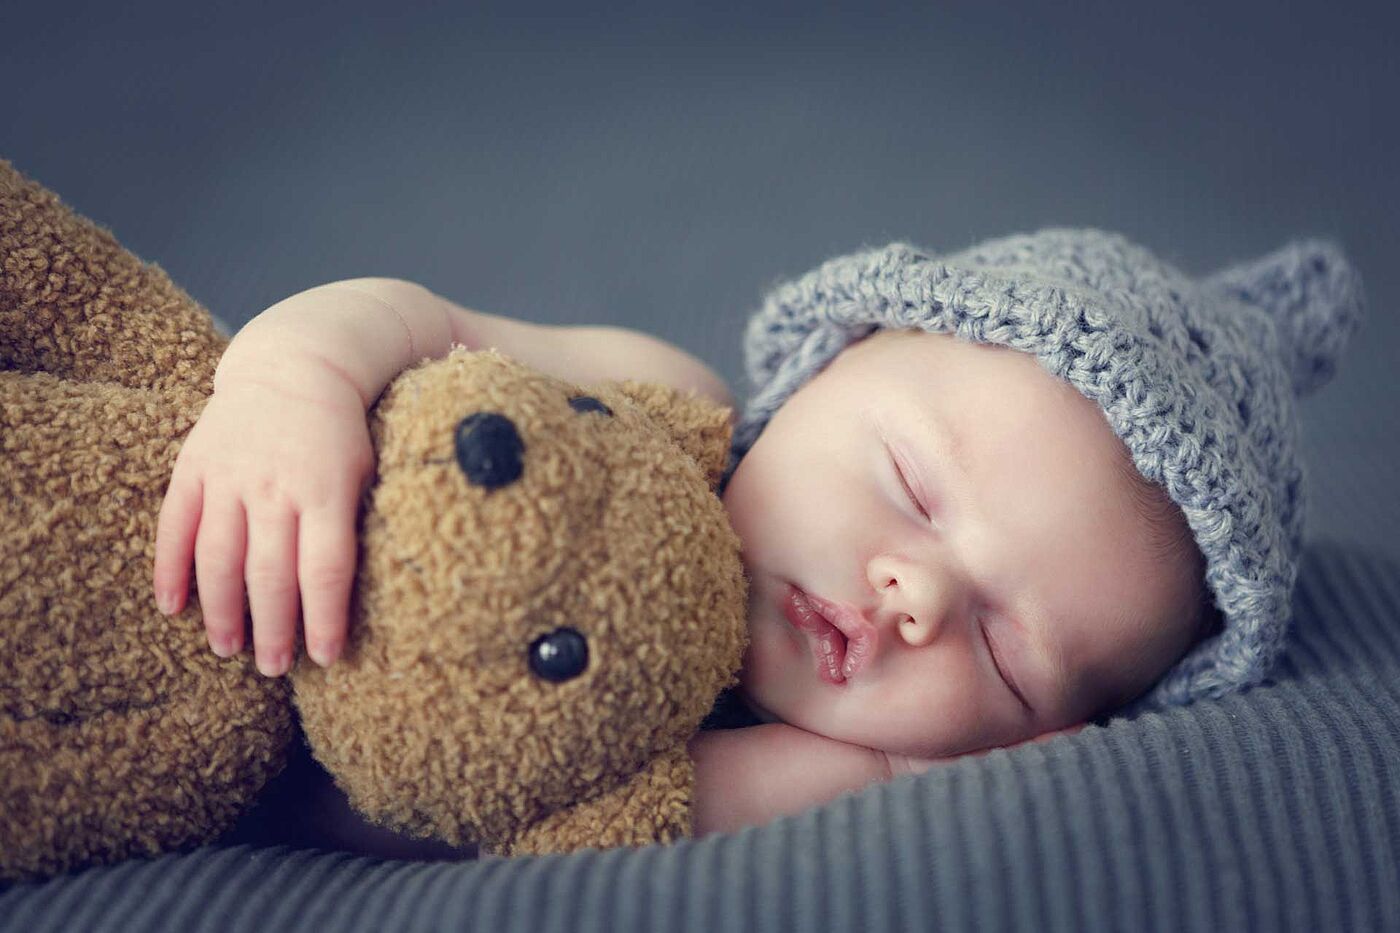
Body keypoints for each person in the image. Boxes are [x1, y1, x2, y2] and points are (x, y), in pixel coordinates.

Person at [157, 228, 1362, 851]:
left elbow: (574, 818)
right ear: (829, 362)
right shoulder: (655, 405)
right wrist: (291, 381)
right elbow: (417, 318)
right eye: (911, 483)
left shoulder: (818, 774)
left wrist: (881, 775)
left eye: (1004, 652)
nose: (915, 594)